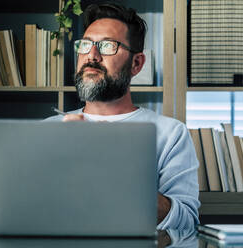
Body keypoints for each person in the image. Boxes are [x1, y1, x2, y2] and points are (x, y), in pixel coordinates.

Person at [46, 3, 200, 229]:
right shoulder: (48, 130)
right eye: (85, 45)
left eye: (108, 45)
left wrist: (112, 168)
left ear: (136, 64)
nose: (92, 55)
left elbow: (186, 222)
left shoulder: (170, 134)